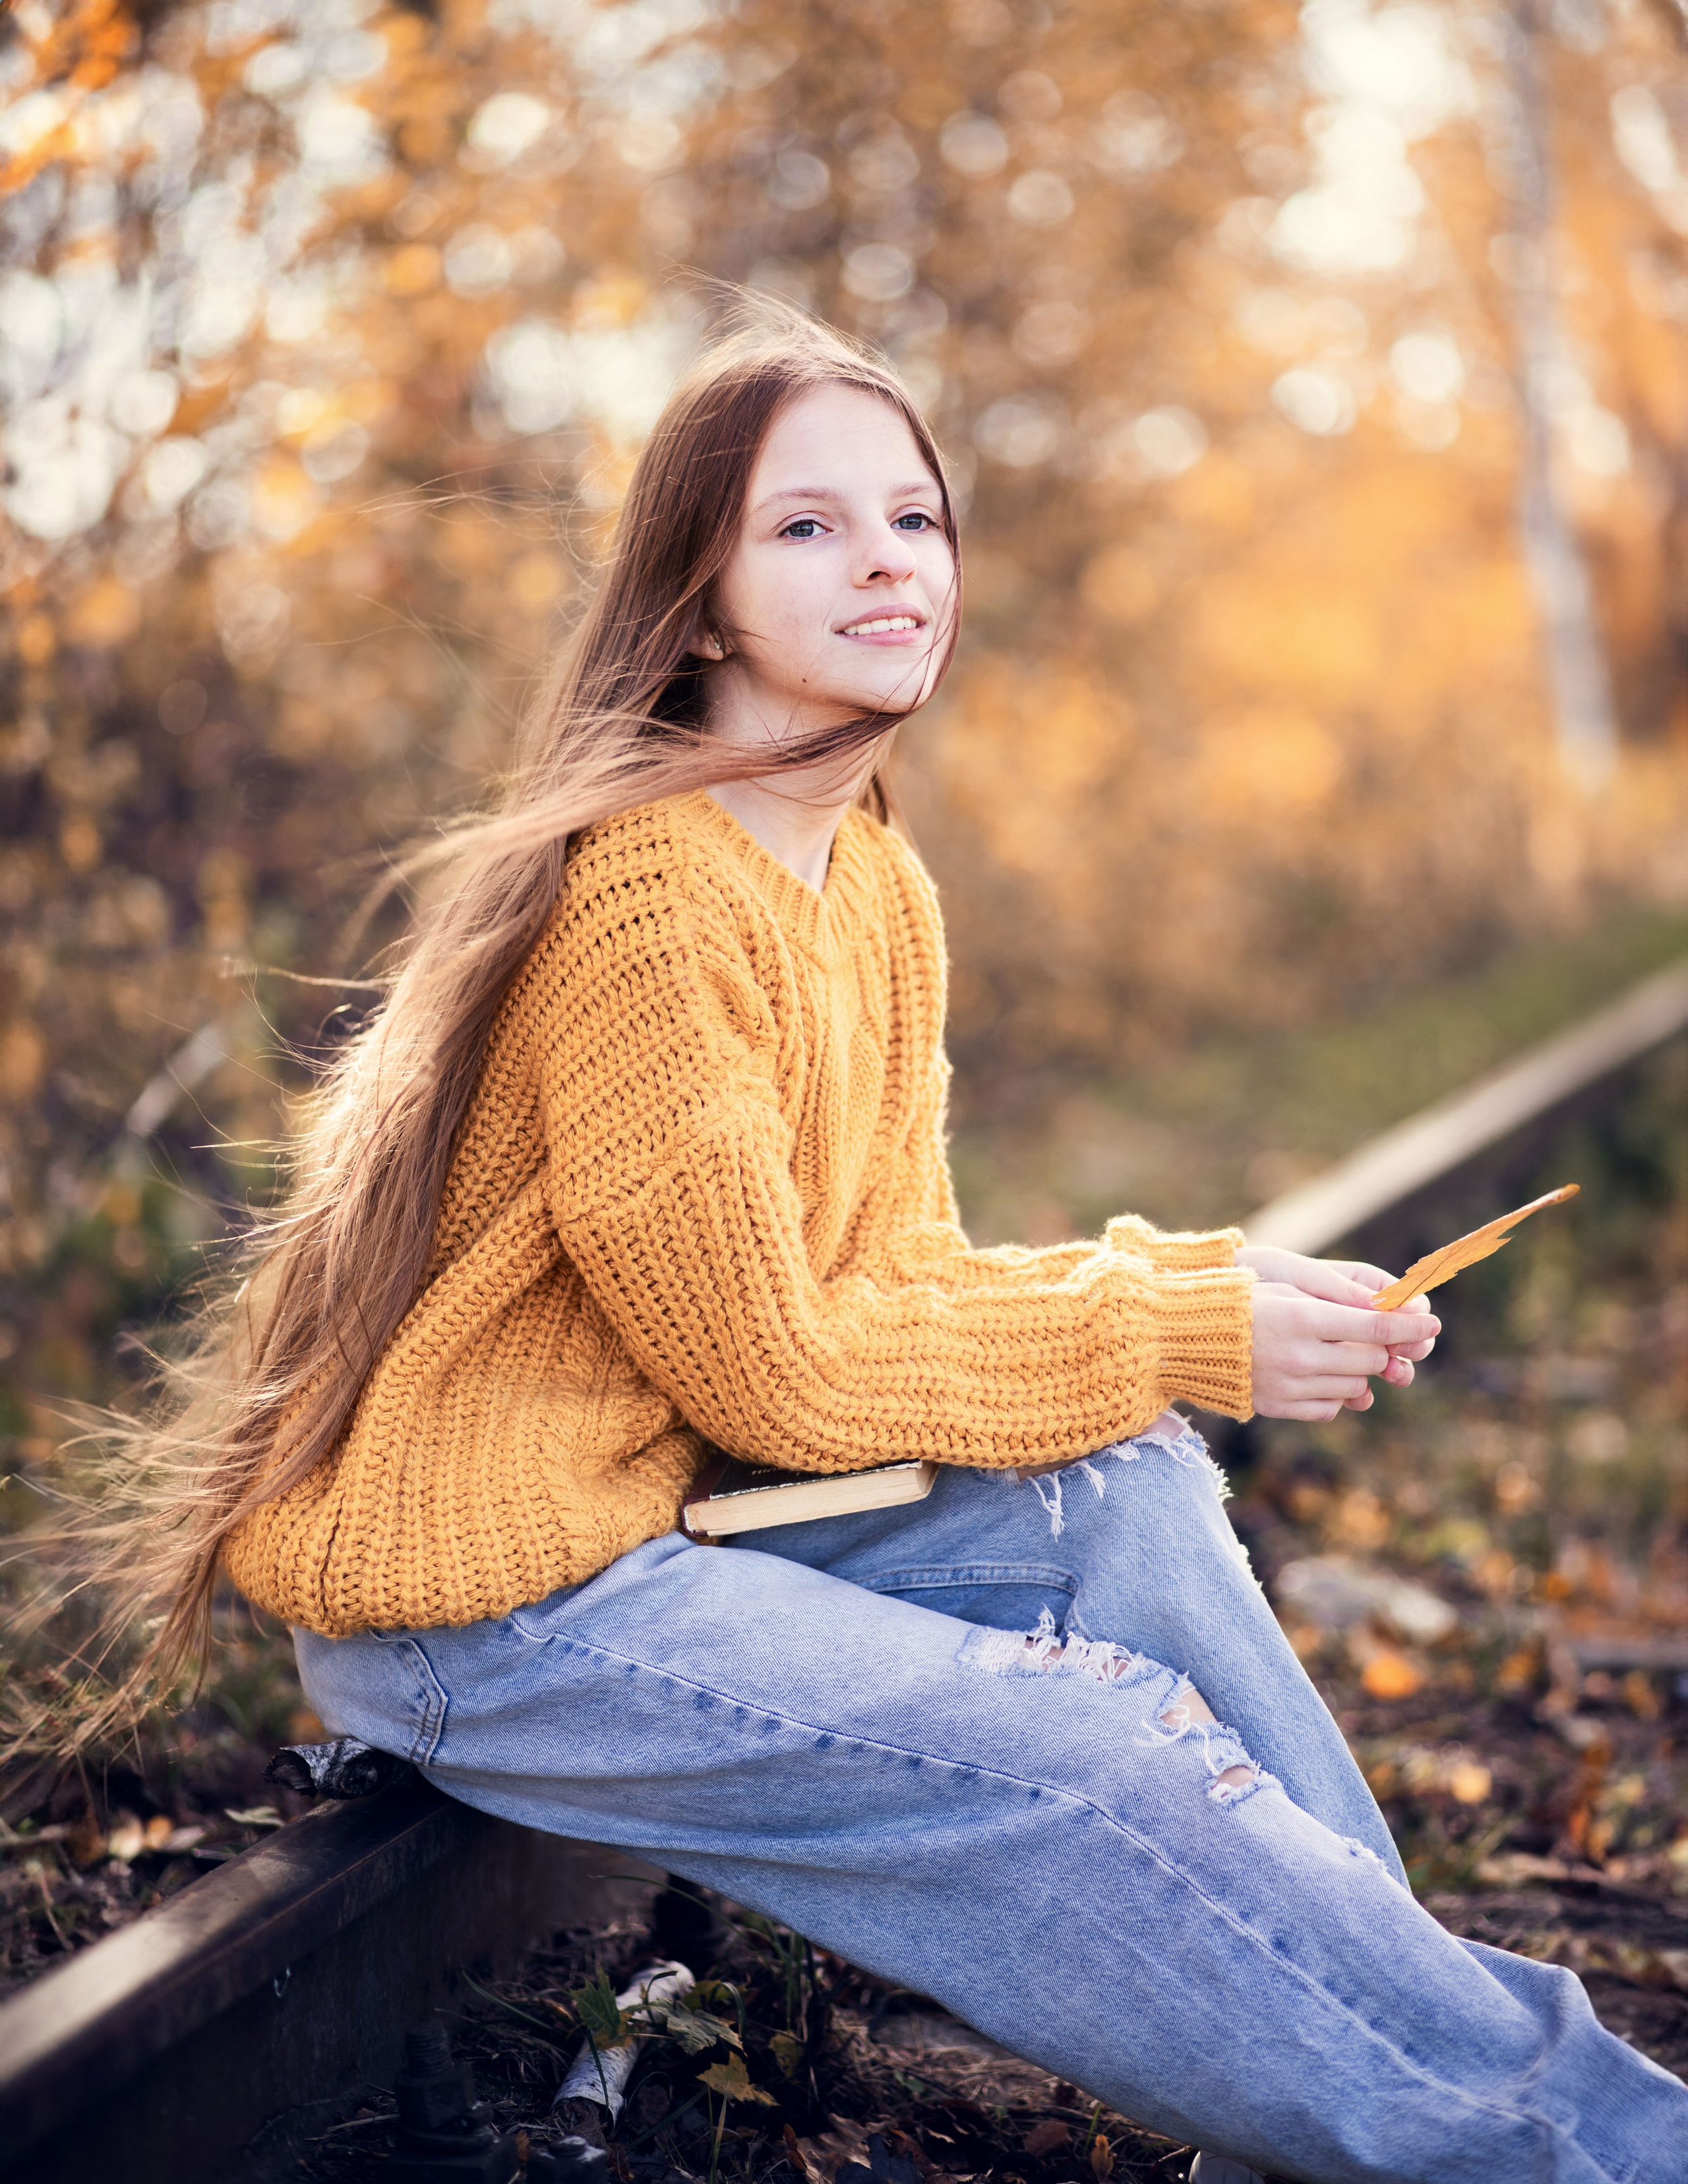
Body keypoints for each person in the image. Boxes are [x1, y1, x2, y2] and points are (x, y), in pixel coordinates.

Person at [121, 310, 1683, 2181]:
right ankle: (1580, 2144)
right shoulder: (647, 907)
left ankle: (1362, 2064)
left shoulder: (866, 879)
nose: (887, 560)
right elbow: (780, 1375)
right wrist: (1175, 1323)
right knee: (1093, 1762)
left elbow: (895, 1286)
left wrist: (1200, 1294)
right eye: (808, 527)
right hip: (501, 1610)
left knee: (1120, 1489)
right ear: (699, 608)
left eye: (915, 519)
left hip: (653, 1513)